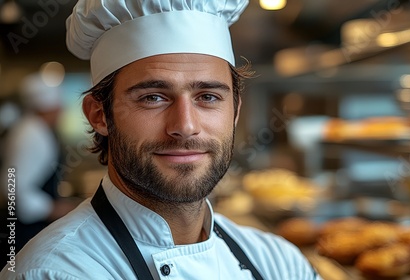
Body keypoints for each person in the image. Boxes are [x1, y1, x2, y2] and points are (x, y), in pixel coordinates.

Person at [1, 0, 321, 279]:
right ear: (99, 115)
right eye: (153, 97)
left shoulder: (280, 263)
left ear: (235, 110)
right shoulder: (53, 272)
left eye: (208, 96)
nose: (185, 126)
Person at [0, 73, 79, 263]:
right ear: (50, 107)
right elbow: (12, 185)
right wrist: (50, 209)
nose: (61, 110)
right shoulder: (31, 134)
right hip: (23, 229)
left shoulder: (33, 128)